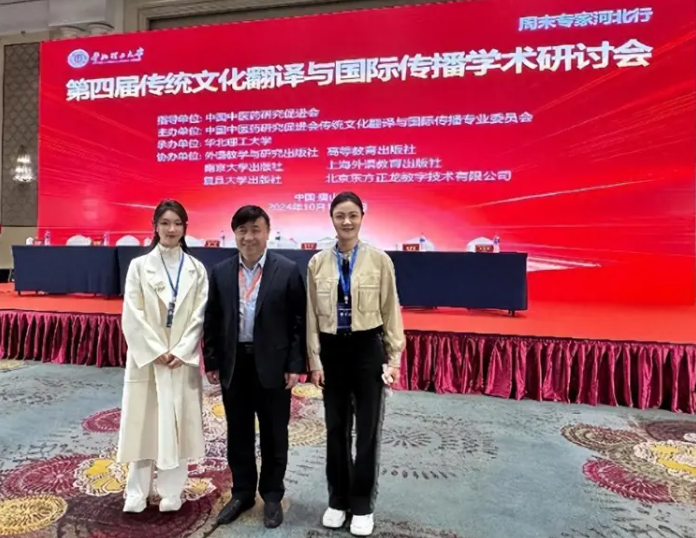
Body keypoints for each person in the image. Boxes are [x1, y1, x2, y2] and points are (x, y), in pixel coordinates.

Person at [306, 191, 405, 537]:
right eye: (340, 216)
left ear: (362, 217)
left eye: (352, 215)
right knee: (335, 429)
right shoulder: (317, 263)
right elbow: (310, 316)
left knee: (367, 430)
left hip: (367, 350)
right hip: (332, 351)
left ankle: (362, 505)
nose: (346, 222)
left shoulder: (379, 261)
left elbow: (391, 311)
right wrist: (314, 359)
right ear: (331, 219)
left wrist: (394, 358)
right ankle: (338, 500)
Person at [203, 205, 306, 529]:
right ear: (235, 234)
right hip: (235, 363)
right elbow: (212, 319)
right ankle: (243, 492)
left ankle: (272, 494)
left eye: (255, 229)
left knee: (275, 432)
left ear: (267, 232)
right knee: (239, 432)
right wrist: (213, 360)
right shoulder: (220, 271)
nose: (249, 237)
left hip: (273, 365)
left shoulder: (287, 270)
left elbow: (298, 321)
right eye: (242, 230)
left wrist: (294, 363)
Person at [117, 200, 208, 513]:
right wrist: (155, 350)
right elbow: (132, 311)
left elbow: (200, 314)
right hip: (148, 359)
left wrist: (182, 349)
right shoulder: (139, 266)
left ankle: (172, 489)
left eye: (178, 223)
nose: (172, 229)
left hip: (180, 361)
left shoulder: (196, 269)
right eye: (166, 223)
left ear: (185, 228)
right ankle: (136, 491)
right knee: (142, 423)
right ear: (155, 226)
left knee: (178, 425)